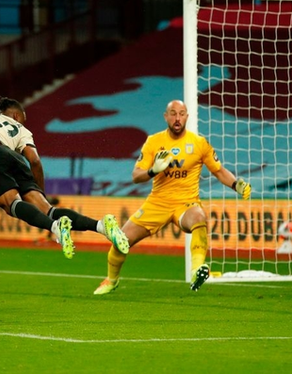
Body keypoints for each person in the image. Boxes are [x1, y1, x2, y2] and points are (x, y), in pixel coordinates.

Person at [93, 100, 251, 295]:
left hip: (186, 203)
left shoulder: (199, 143)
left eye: (182, 113)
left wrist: (236, 184)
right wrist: (153, 170)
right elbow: (136, 176)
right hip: (157, 203)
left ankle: (196, 270)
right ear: (165, 116)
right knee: (121, 240)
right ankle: (111, 280)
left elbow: (218, 171)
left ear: (187, 116)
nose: (177, 118)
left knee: (199, 218)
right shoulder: (154, 141)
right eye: (173, 113)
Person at [0, 97, 129, 258]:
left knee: (10, 204)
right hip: (14, 158)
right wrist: (40, 193)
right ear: (17, 115)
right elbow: (35, 161)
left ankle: (55, 227)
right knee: (47, 209)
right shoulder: (22, 131)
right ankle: (101, 226)